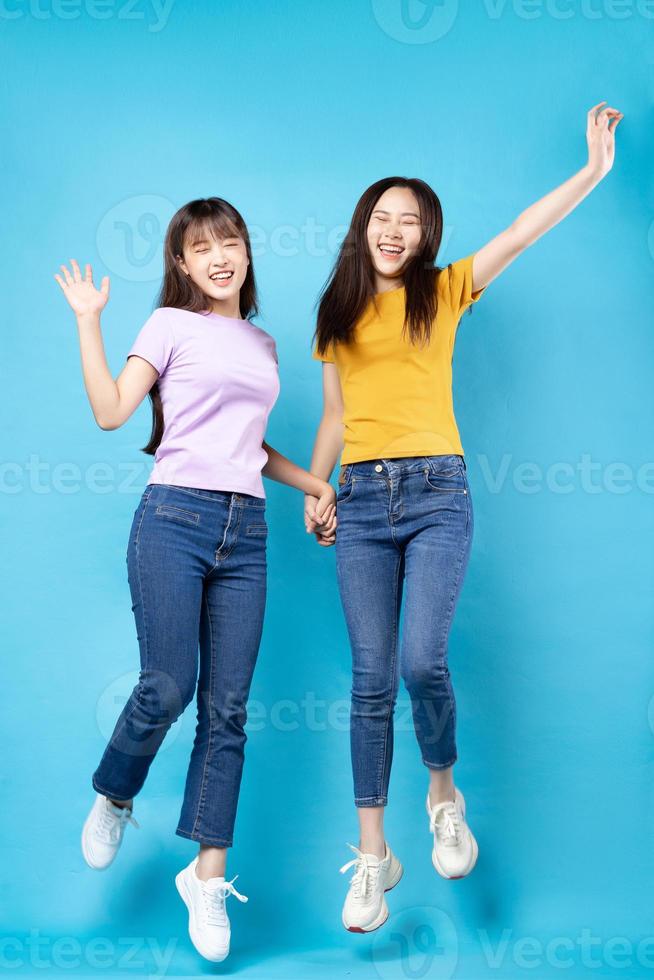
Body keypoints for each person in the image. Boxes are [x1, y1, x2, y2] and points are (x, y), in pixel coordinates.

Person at [306, 102, 622, 933]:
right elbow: (336, 415)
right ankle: (374, 858)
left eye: (410, 222)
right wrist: (316, 486)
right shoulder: (335, 315)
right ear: (363, 227)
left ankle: (443, 792)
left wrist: (591, 171)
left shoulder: (444, 292)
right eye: (384, 217)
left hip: (439, 494)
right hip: (363, 500)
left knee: (420, 663)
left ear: (425, 236)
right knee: (369, 680)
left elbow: (520, 231)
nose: (395, 230)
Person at [54, 197, 336, 963]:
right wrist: (89, 320)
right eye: (201, 247)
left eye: (231, 242)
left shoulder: (264, 343)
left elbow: (248, 445)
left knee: (229, 710)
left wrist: (313, 484)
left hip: (245, 533)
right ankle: (116, 792)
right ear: (181, 264)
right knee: (168, 684)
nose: (219, 257)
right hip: (172, 522)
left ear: (246, 252)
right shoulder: (169, 327)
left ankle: (206, 877)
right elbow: (114, 410)